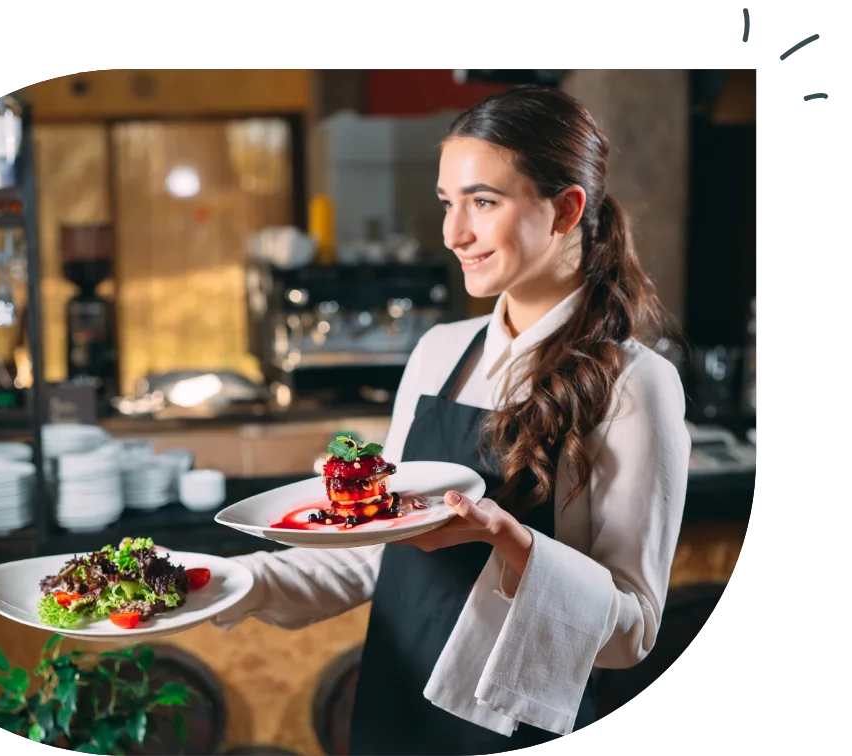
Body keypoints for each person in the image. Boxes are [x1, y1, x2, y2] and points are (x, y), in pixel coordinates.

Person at [209, 85, 692, 756]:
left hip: (510, 725)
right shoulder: (439, 353)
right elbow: (375, 556)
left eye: (483, 202)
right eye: (447, 202)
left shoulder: (637, 384)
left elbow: (630, 632)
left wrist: (511, 543)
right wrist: (220, 583)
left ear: (565, 209)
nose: (452, 233)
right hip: (393, 707)